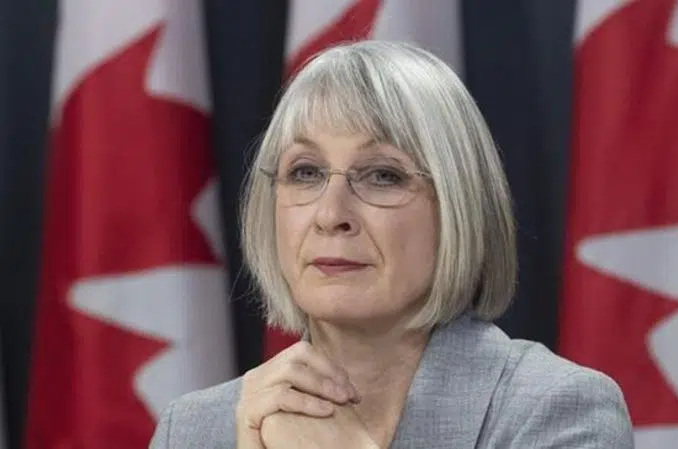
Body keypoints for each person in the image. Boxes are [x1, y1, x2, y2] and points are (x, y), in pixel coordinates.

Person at [148, 40, 634, 449]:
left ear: (458, 205)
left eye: (383, 175)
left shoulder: (558, 410)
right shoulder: (194, 430)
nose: (331, 215)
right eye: (305, 172)